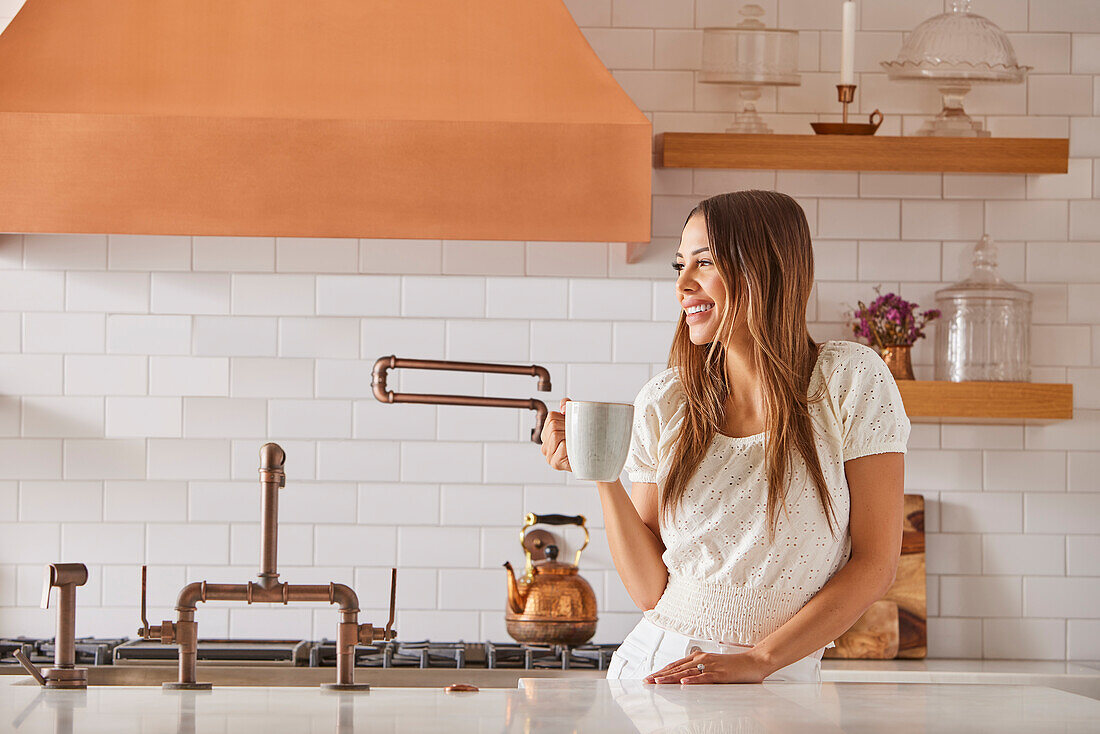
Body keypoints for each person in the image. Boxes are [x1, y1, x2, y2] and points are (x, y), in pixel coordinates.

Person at [539, 190, 910, 684]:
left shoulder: (849, 379)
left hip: (777, 676)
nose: (683, 286)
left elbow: (876, 563)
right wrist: (600, 471)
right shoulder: (666, 401)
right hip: (656, 671)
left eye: (705, 262)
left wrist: (761, 661)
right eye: (679, 267)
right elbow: (652, 591)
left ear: (766, 267)